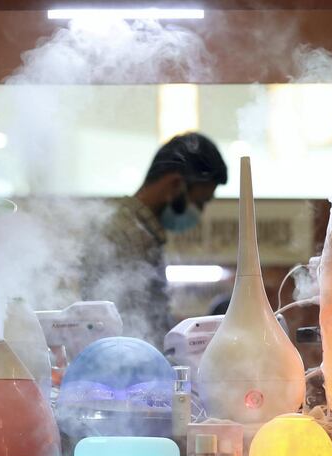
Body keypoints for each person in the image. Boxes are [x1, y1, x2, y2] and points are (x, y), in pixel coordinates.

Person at [84, 132, 228, 349]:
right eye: (199, 202)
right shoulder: (123, 234)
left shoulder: (143, 233)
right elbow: (129, 326)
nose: (199, 213)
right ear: (176, 185)